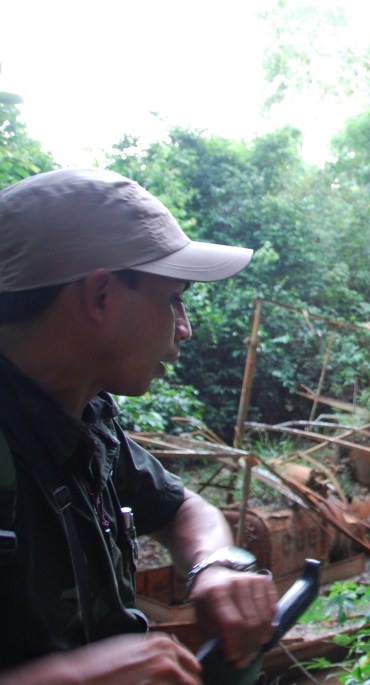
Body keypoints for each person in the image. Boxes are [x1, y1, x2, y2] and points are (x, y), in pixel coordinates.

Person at [0, 168, 277, 684]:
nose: (184, 328)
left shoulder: (85, 423)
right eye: (173, 299)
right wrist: (75, 677)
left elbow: (181, 508)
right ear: (99, 296)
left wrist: (213, 565)